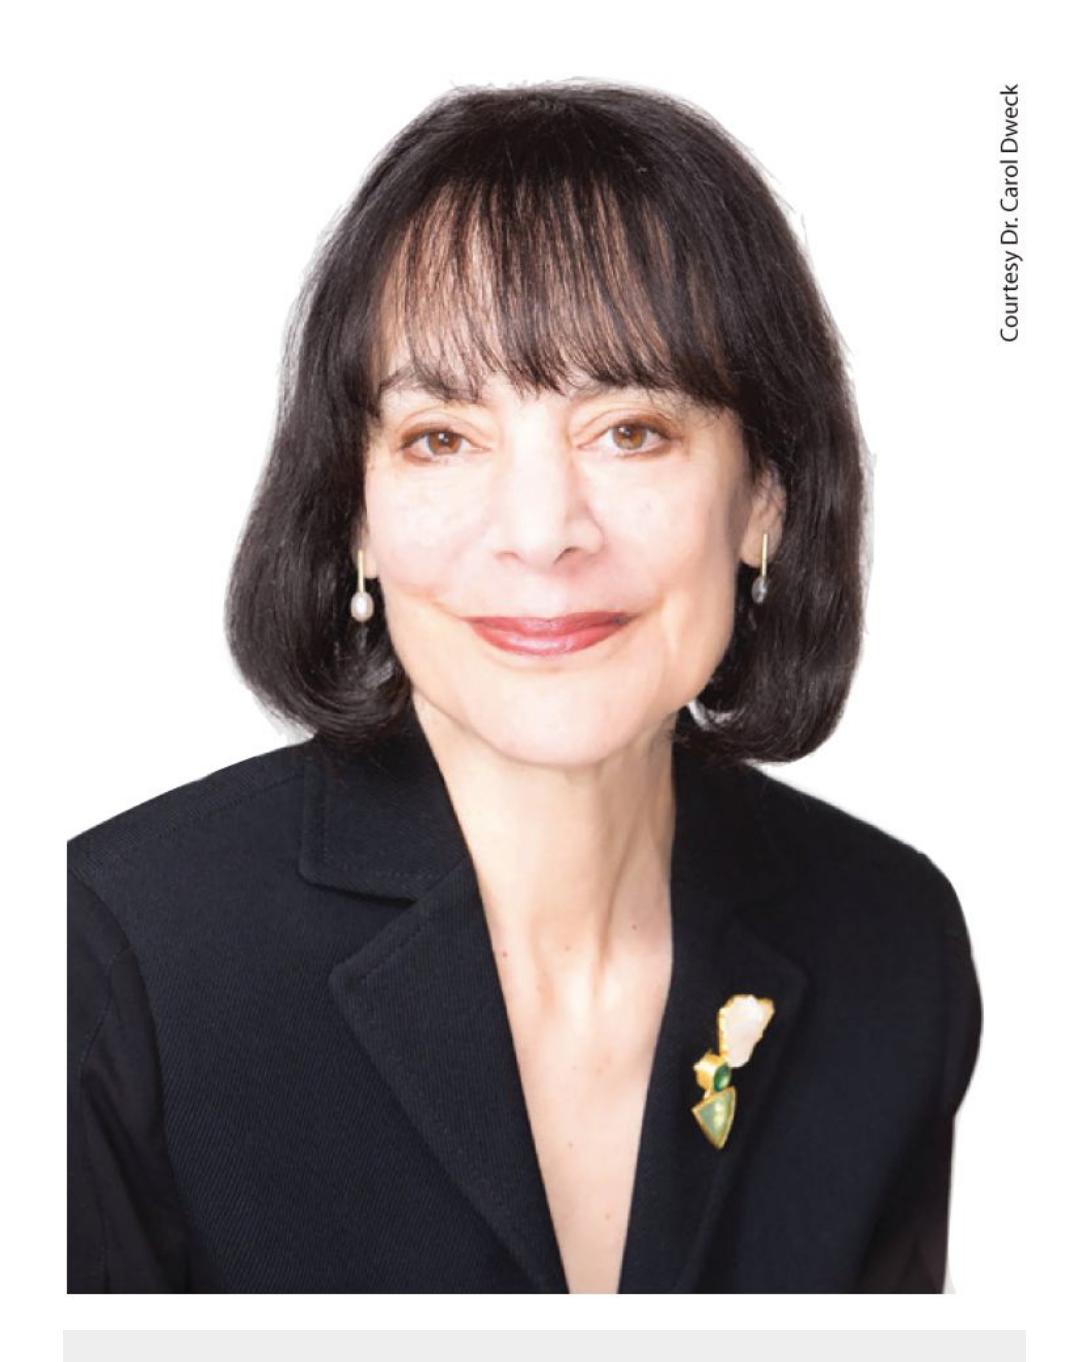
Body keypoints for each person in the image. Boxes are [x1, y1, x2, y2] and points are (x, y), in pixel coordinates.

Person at [67, 79, 982, 1294]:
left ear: (764, 499)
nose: (544, 533)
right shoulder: (113, 954)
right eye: (443, 437)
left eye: (631, 430)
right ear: (356, 519)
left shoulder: (893, 945)